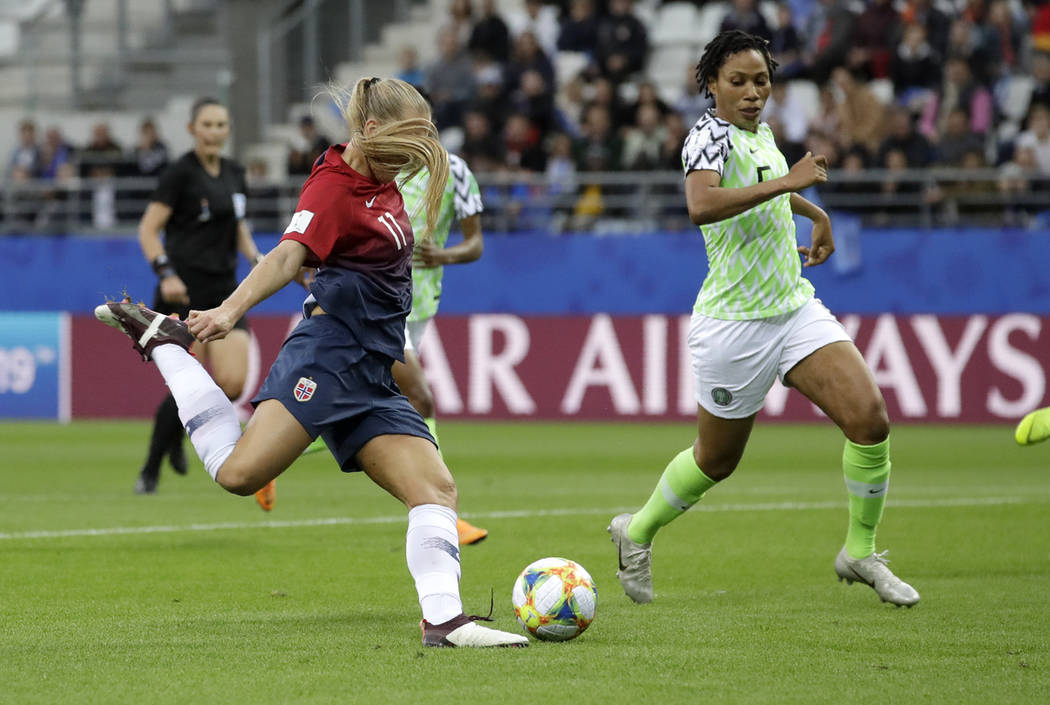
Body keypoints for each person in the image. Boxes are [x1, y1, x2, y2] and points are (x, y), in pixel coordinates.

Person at [95, 77, 528, 648]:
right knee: (238, 474)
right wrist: (226, 313)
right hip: (329, 358)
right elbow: (287, 255)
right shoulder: (334, 185)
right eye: (410, 135)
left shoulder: (383, 179)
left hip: (372, 368)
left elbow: (336, 259)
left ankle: (445, 623)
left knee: (436, 488)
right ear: (371, 131)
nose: (419, 149)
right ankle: (167, 347)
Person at [607, 30, 920, 609]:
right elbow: (701, 205)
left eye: (761, 81)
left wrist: (812, 210)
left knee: (870, 419)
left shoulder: (762, 133)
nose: (753, 93)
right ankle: (638, 530)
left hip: (793, 307)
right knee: (716, 460)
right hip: (733, 323)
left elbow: (766, 188)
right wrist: (789, 183)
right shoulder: (706, 137)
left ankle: (860, 550)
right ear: (711, 85)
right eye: (738, 82)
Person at [302, 143, 490, 546]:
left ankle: (268, 456)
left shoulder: (455, 170)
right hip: (377, 301)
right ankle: (444, 511)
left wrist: (445, 255)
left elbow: (475, 243)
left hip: (419, 306)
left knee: (348, 408)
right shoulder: (376, 163)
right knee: (420, 397)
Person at [133, 97, 274, 513]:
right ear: (193, 129)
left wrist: (257, 260)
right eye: (208, 124)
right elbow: (148, 230)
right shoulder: (179, 174)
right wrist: (166, 274)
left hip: (224, 292)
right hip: (181, 292)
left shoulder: (234, 173)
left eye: (222, 124)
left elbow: (239, 227)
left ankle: (177, 434)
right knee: (187, 382)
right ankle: (151, 468)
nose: (215, 131)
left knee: (231, 383)